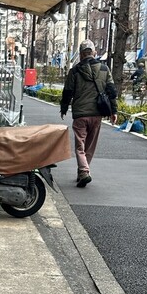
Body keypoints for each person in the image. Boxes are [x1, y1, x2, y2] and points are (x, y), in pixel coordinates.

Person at [60, 39, 117, 187]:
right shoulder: (104, 69)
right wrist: (114, 111)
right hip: (97, 113)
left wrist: (64, 108)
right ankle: (83, 172)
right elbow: (111, 91)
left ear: (80, 54)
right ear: (94, 53)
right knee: (90, 146)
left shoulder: (74, 71)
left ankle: (84, 171)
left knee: (80, 145)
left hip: (80, 113)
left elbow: (67, 92)